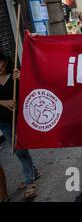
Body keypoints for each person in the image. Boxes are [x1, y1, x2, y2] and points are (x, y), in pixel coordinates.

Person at [0, 51, 40, 200]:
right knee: (18, 150)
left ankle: (30, 183)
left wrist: (23, 79)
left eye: (0, 62)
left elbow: (32, 91)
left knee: (21, 150)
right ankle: (33, 172)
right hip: (4, 123)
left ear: (5, 61)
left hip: (21, 119)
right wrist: (2, 102)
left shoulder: (15, 76)